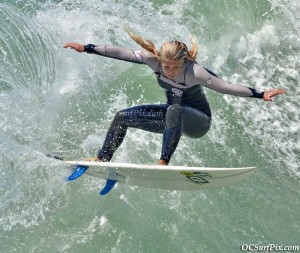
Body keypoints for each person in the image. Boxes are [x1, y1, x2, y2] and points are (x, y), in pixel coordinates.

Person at [63, 26, 285, 165]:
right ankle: (103, 158)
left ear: (185, 61)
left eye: (173, 67)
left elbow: (226, 86)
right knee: (122, 117)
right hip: (172, 119)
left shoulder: (195, 72)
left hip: (198, 122)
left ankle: (163, 162)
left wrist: (261, 94)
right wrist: (87, 47)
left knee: (174, 108)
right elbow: (122, 52)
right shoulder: (154, 61)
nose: (168, 71)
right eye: (165, 66)